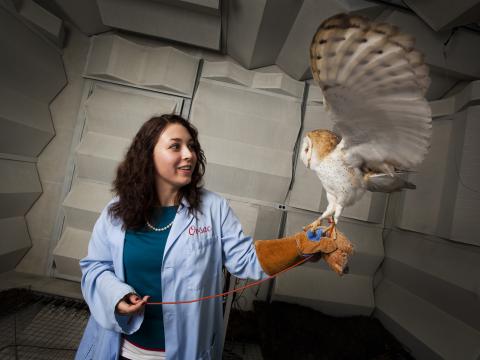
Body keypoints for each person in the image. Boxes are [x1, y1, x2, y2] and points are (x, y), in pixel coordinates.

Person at [75, 114, 335, 360]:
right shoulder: (115, 211)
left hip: (183, 350)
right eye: (175, 146)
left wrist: (298, 246)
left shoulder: (213, 208)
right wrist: (116, 297)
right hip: (120, 347)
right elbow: (94, 267)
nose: (189, 155)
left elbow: (245, 259)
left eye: (191, 146)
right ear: (147, 155)